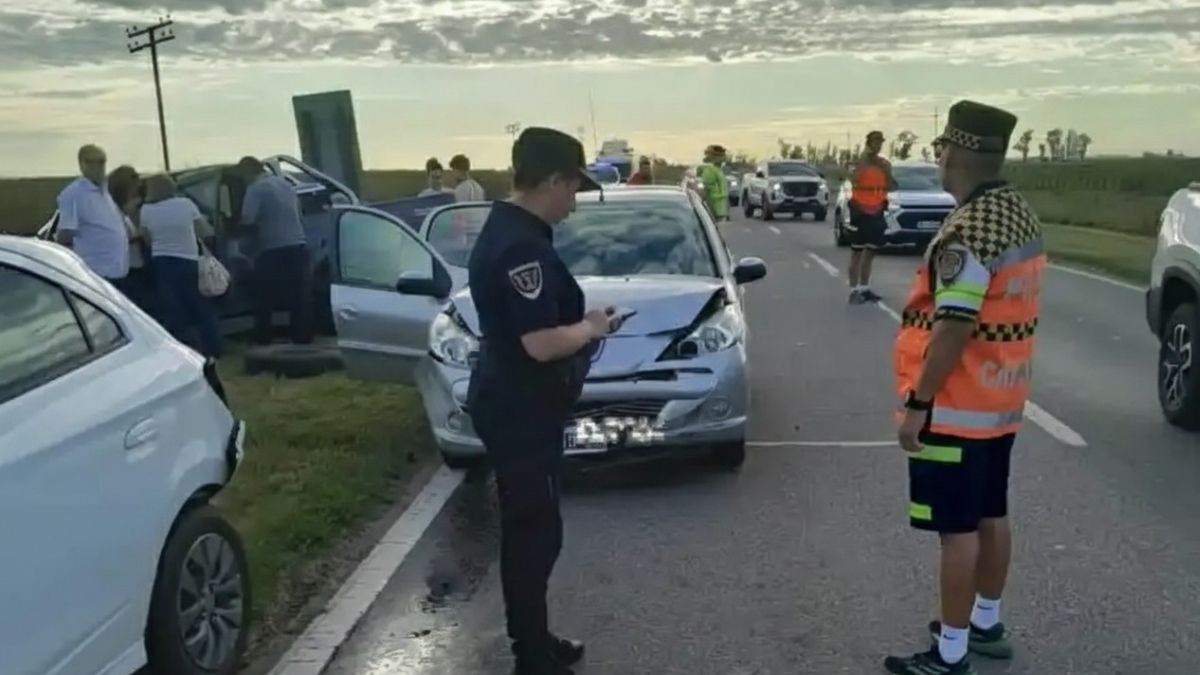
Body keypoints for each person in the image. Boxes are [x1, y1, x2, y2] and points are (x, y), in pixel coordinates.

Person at [886, 100, 1043, 675]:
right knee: (990, 514)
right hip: (1000, 403)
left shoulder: (968, 231)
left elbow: (953, 325)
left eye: (940, 149)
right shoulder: (1016, 212)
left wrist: (918, 404)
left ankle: (949, 654)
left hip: (955, 407)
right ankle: (985, 621)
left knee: (956, 533)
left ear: (953, 153)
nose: (939, 159)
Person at [466, 127, 624, 675]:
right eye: (573, 189)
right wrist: (591, 326)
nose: (574, 203)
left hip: (516, 401)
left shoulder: (514, 230)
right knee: (534, 531)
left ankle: (533, 637)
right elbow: (539, 344)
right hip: (519, 407)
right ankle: (529, 654)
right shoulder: (520, 246)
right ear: (553, 180)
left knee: (534, 527)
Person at [139, 174, 224, 359]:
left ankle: (180, 353)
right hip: (189, 260)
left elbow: (147, 239)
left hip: (162, 262)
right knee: (202, 307)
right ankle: (214, 349)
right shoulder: (185, 204)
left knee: (173, 309)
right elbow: (204, 230)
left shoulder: (146, 210)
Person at [236, 156, 313, 346]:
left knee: (264, 297)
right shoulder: (285, 184)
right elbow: (299, 214)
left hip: (272, 249)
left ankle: (263, 338)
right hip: (297, 245)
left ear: (248, 172)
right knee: (299, 296)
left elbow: (248, 219)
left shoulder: (255, 189)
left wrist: (240, 240)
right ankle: (302, 338)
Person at [55, 144, 130, 291]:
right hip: (97, 275)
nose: (100, 167)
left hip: (118, 272)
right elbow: (65, 235)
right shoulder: (73, 194)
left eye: (103, 161)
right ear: (83, 164)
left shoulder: (105, 192)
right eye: (95, 162)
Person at [845, 131, 895, 304]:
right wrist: (864, 162)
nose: (878, 145)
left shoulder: (883, 163)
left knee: (871, 251)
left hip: (877, 210)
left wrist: (885, 170)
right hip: (860, 210)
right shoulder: (859, 162)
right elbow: (853, 179)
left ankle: (864, 288)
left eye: (880, 142)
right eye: (875, 142)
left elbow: (892, 185)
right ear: (868, 143)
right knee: (857, 252)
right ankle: (853, 290)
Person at [107, 165, 154, 312]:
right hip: (127, 271)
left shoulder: (127, 211)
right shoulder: (111, 211)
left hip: (136, 266)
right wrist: (138, 238)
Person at [697, 145, 730, 221]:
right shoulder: (710, 170)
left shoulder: (718, 170)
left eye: (722, 155)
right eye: (719, 156)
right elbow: (706, 189)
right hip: (713, 209)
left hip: (720, 210)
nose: (723, 158)